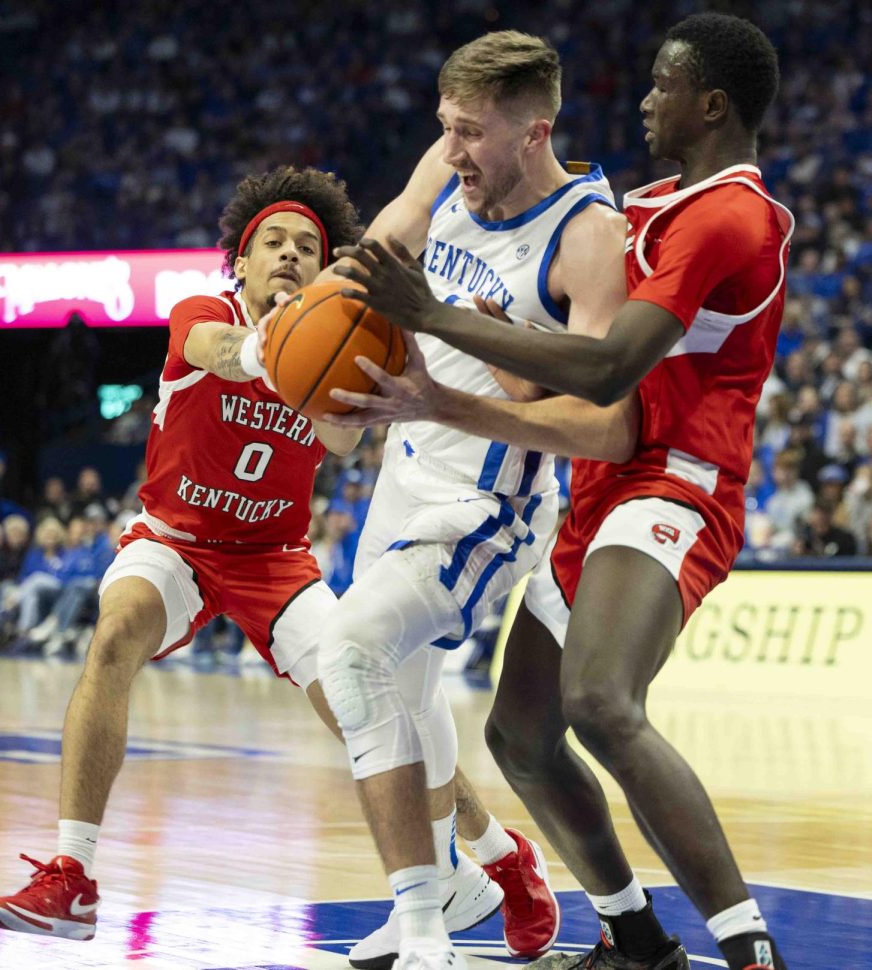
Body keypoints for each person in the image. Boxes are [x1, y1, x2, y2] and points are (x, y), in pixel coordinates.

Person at [329, 14, 790, 970]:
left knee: (600, 703)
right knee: (521, 733)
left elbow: (612, 365)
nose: (643, 100)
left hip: (674, 480)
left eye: (663, 87)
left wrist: (442, 322)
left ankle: (751, 951)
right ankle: (634, 939)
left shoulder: (725, 214)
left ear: (711, 104)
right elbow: (564, 370)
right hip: (600, 485)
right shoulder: (665, 199)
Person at [0, 167, 532, 947]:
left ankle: (489, 856)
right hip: (175, 541)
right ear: (239, 262)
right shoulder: (203, 312)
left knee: (373, 711)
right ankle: (72, 877)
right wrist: (278, 343)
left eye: (307, 246)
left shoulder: (332, 344)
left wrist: (350, 357)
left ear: (323, 266)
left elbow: (344, 437)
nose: (288, 254)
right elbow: (225, 352)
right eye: (271, 241)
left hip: (274, 557)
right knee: (114, 636)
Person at [275, 29, 624, 970]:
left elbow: (597, 419)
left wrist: (461, 388)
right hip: (406, 462)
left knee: (351, 657)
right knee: (406, 687)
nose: (452, 148)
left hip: (489, 501)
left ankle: (427, 925)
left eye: (471, 132)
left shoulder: (588, 238)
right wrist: (303, 323)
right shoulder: (450, 164)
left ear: (534, 131)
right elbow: (383, 246)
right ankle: (467, 880)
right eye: (446, 127)